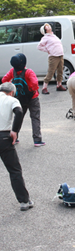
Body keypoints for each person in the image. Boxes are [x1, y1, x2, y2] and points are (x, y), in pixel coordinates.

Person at [0, 82, 34, 211]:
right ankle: (24, 201)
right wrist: (15, 131)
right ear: (11, 92)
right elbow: (19, 113)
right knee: (14, 171)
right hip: (3, 137)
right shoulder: (12, 100)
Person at [2, 54, 45, 147]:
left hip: (20, 98)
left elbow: (5, 80)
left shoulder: (12, 72)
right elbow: (35, 85)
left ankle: (15, 137)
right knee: (35, 117)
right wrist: (31, 90)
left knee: (19, 117)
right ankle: (37, 140)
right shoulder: (28, 72)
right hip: (33, 98)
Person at [37, 23, 67, 94]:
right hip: (53, 56)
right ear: (45, 30)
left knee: (60, 71)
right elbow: (39, 46)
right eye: (46, 26)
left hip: (60, 55)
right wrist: (47, 50)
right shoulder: (45, 37)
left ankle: (59, 85)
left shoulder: (54, 36)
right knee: (51, 72)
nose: (48, 26)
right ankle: (44, 87)